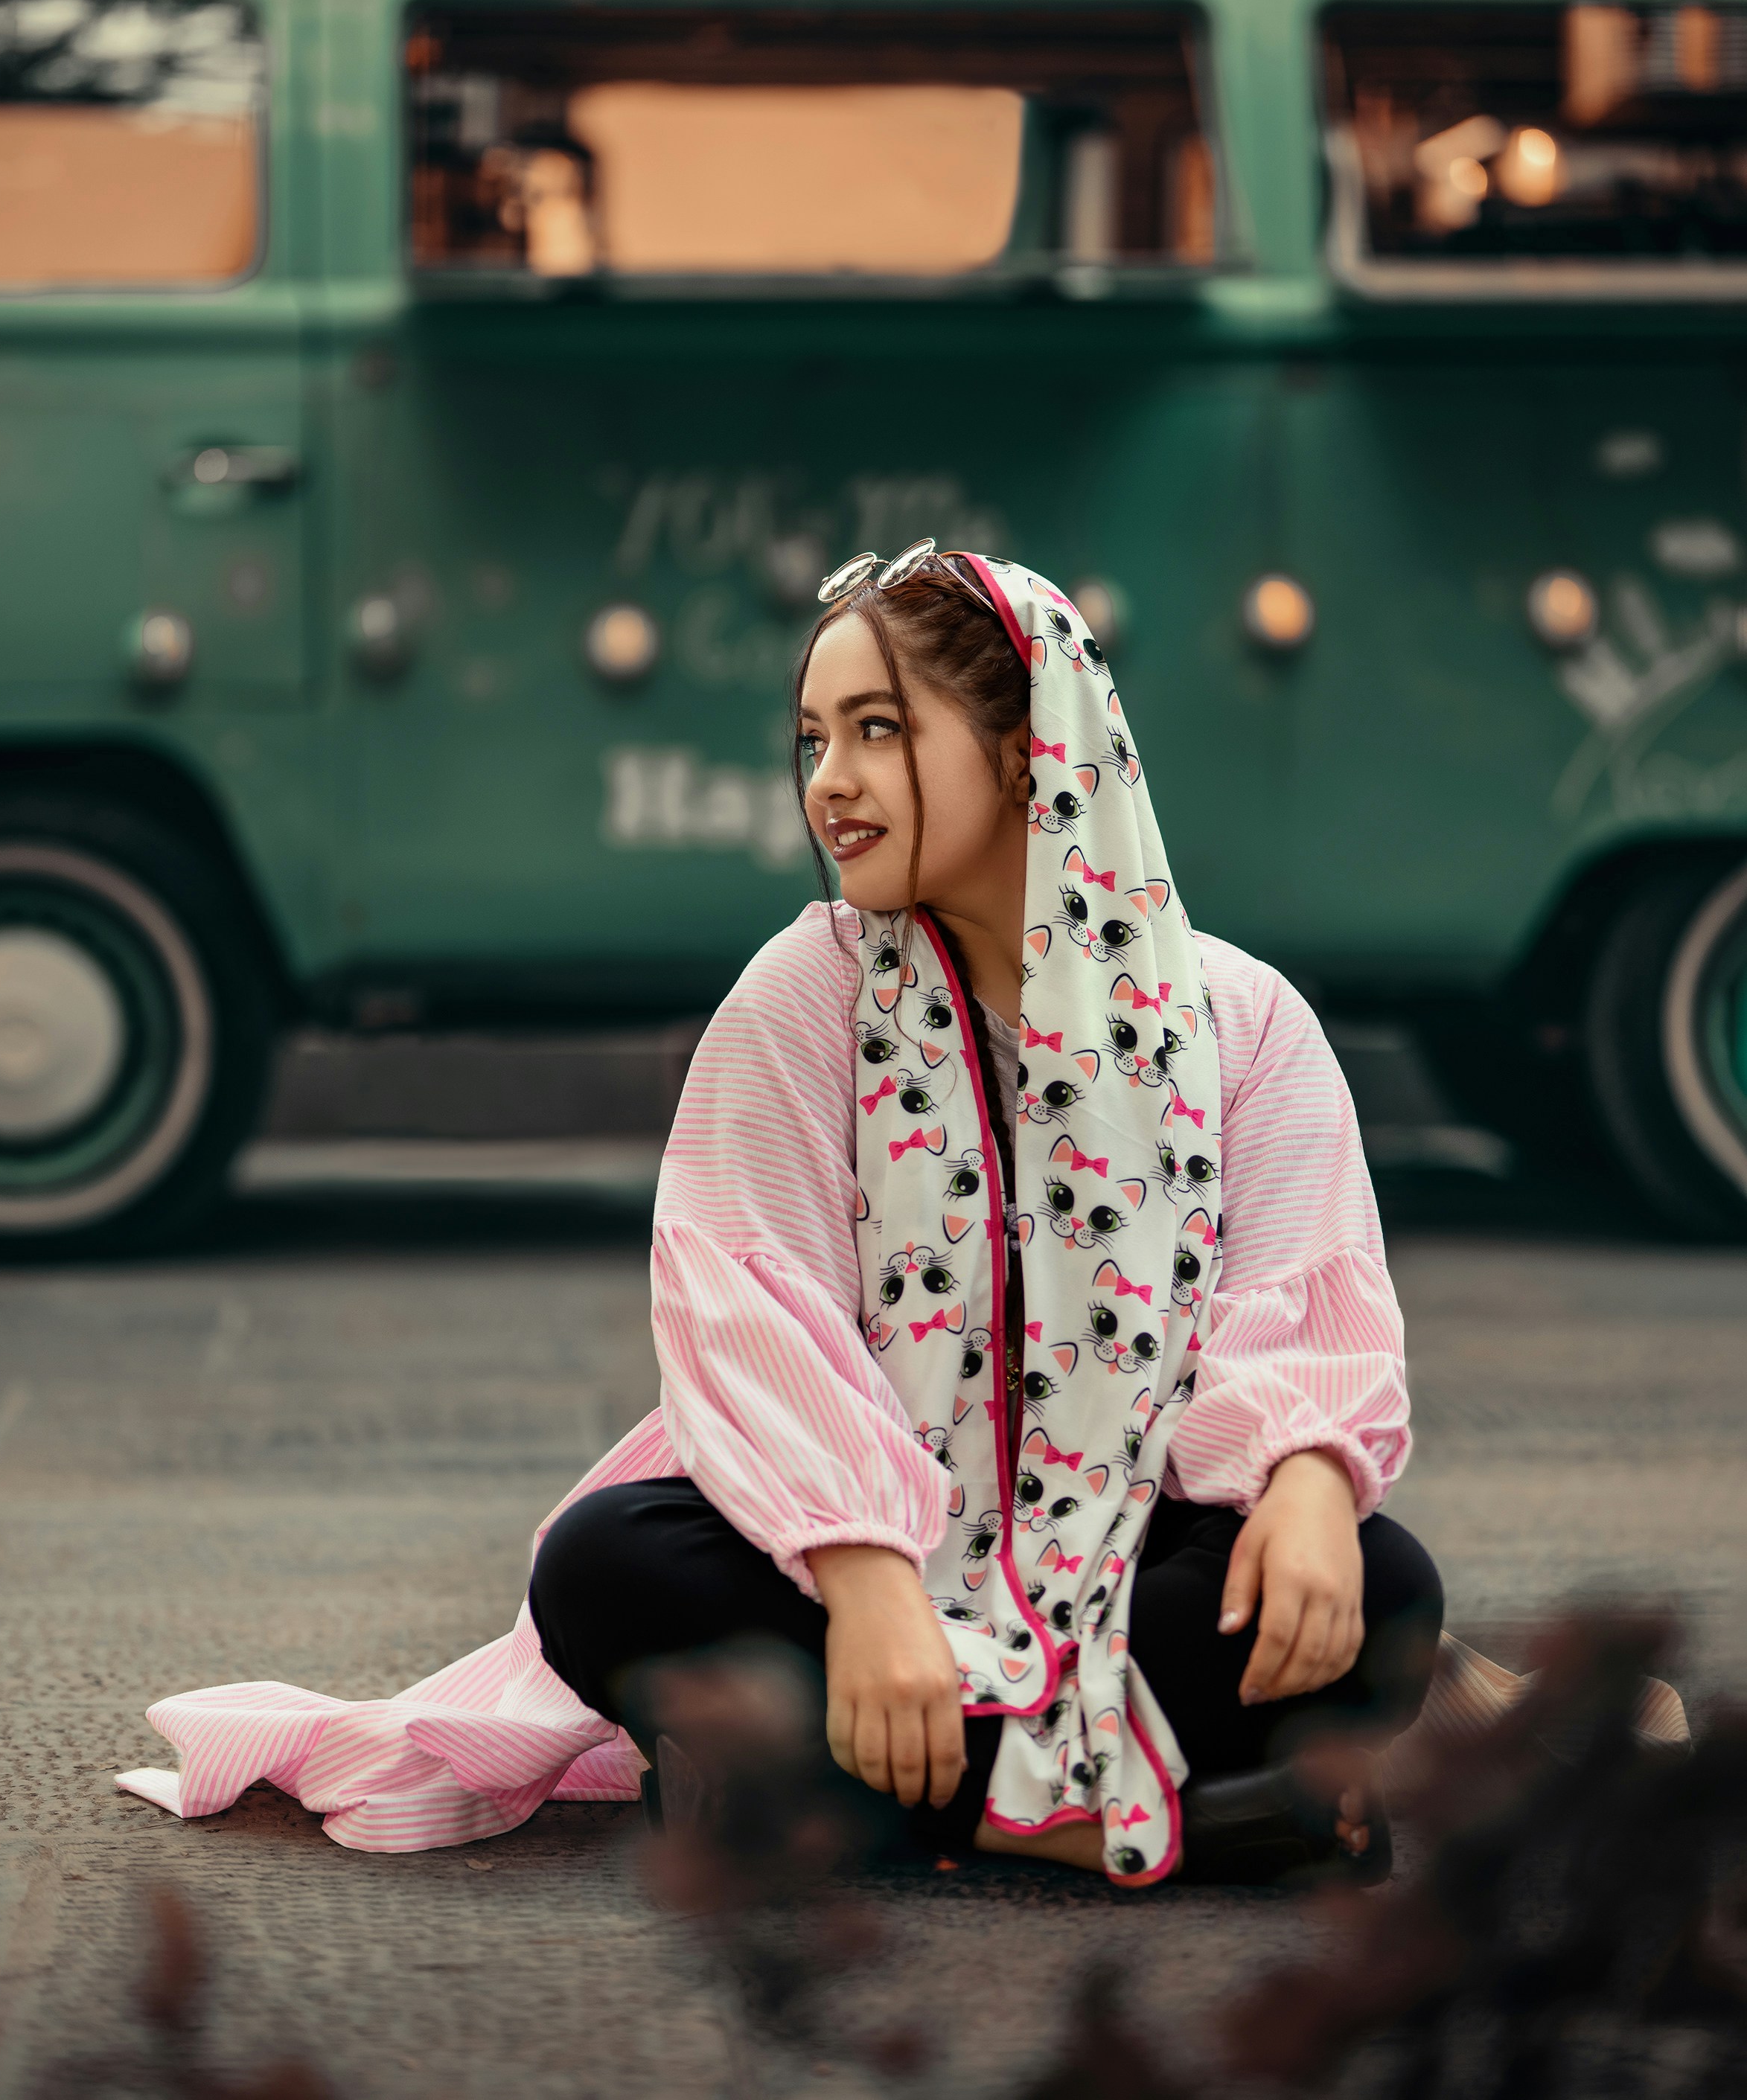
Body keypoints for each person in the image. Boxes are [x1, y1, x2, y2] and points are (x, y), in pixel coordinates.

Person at [116, 546, 1441, 1882]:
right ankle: (1102, 1817)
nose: (831, 783)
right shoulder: (806, 994)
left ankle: (819, 1798)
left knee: (1383, 1592)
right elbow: (745, 1307)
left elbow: (1305, 1281)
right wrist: (866, 1582)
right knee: (603, 1565)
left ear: (1031, 745)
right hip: (843, 1564)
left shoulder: (1238, 1022)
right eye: (814, 739)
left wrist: (1312, 1483)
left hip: (1123, 1550)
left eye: (879, 731)